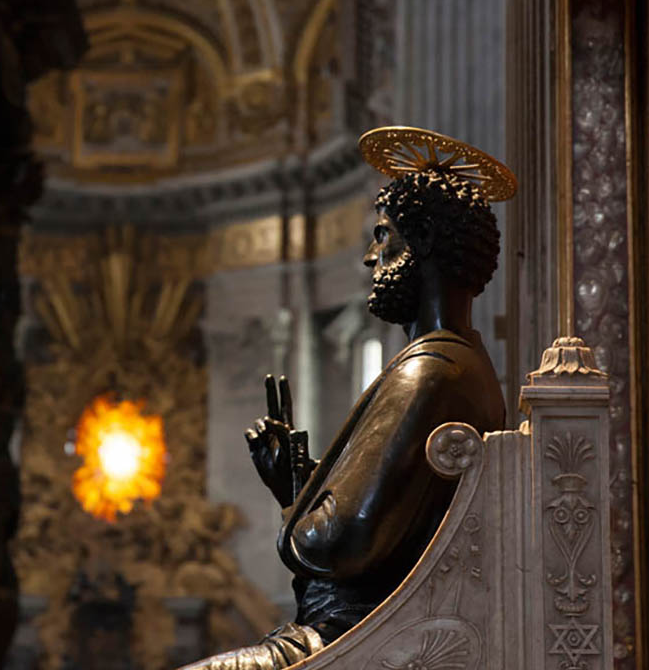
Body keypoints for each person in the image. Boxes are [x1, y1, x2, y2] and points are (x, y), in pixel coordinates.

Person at [180, 128, 512, 670]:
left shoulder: (428, 373)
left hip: (353, 639)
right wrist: (295, 481)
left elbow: (338, 543)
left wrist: (297, 503)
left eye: (383, 236)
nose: (369, 256)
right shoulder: (459, 365)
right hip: (372, 629)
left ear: (424, 237)